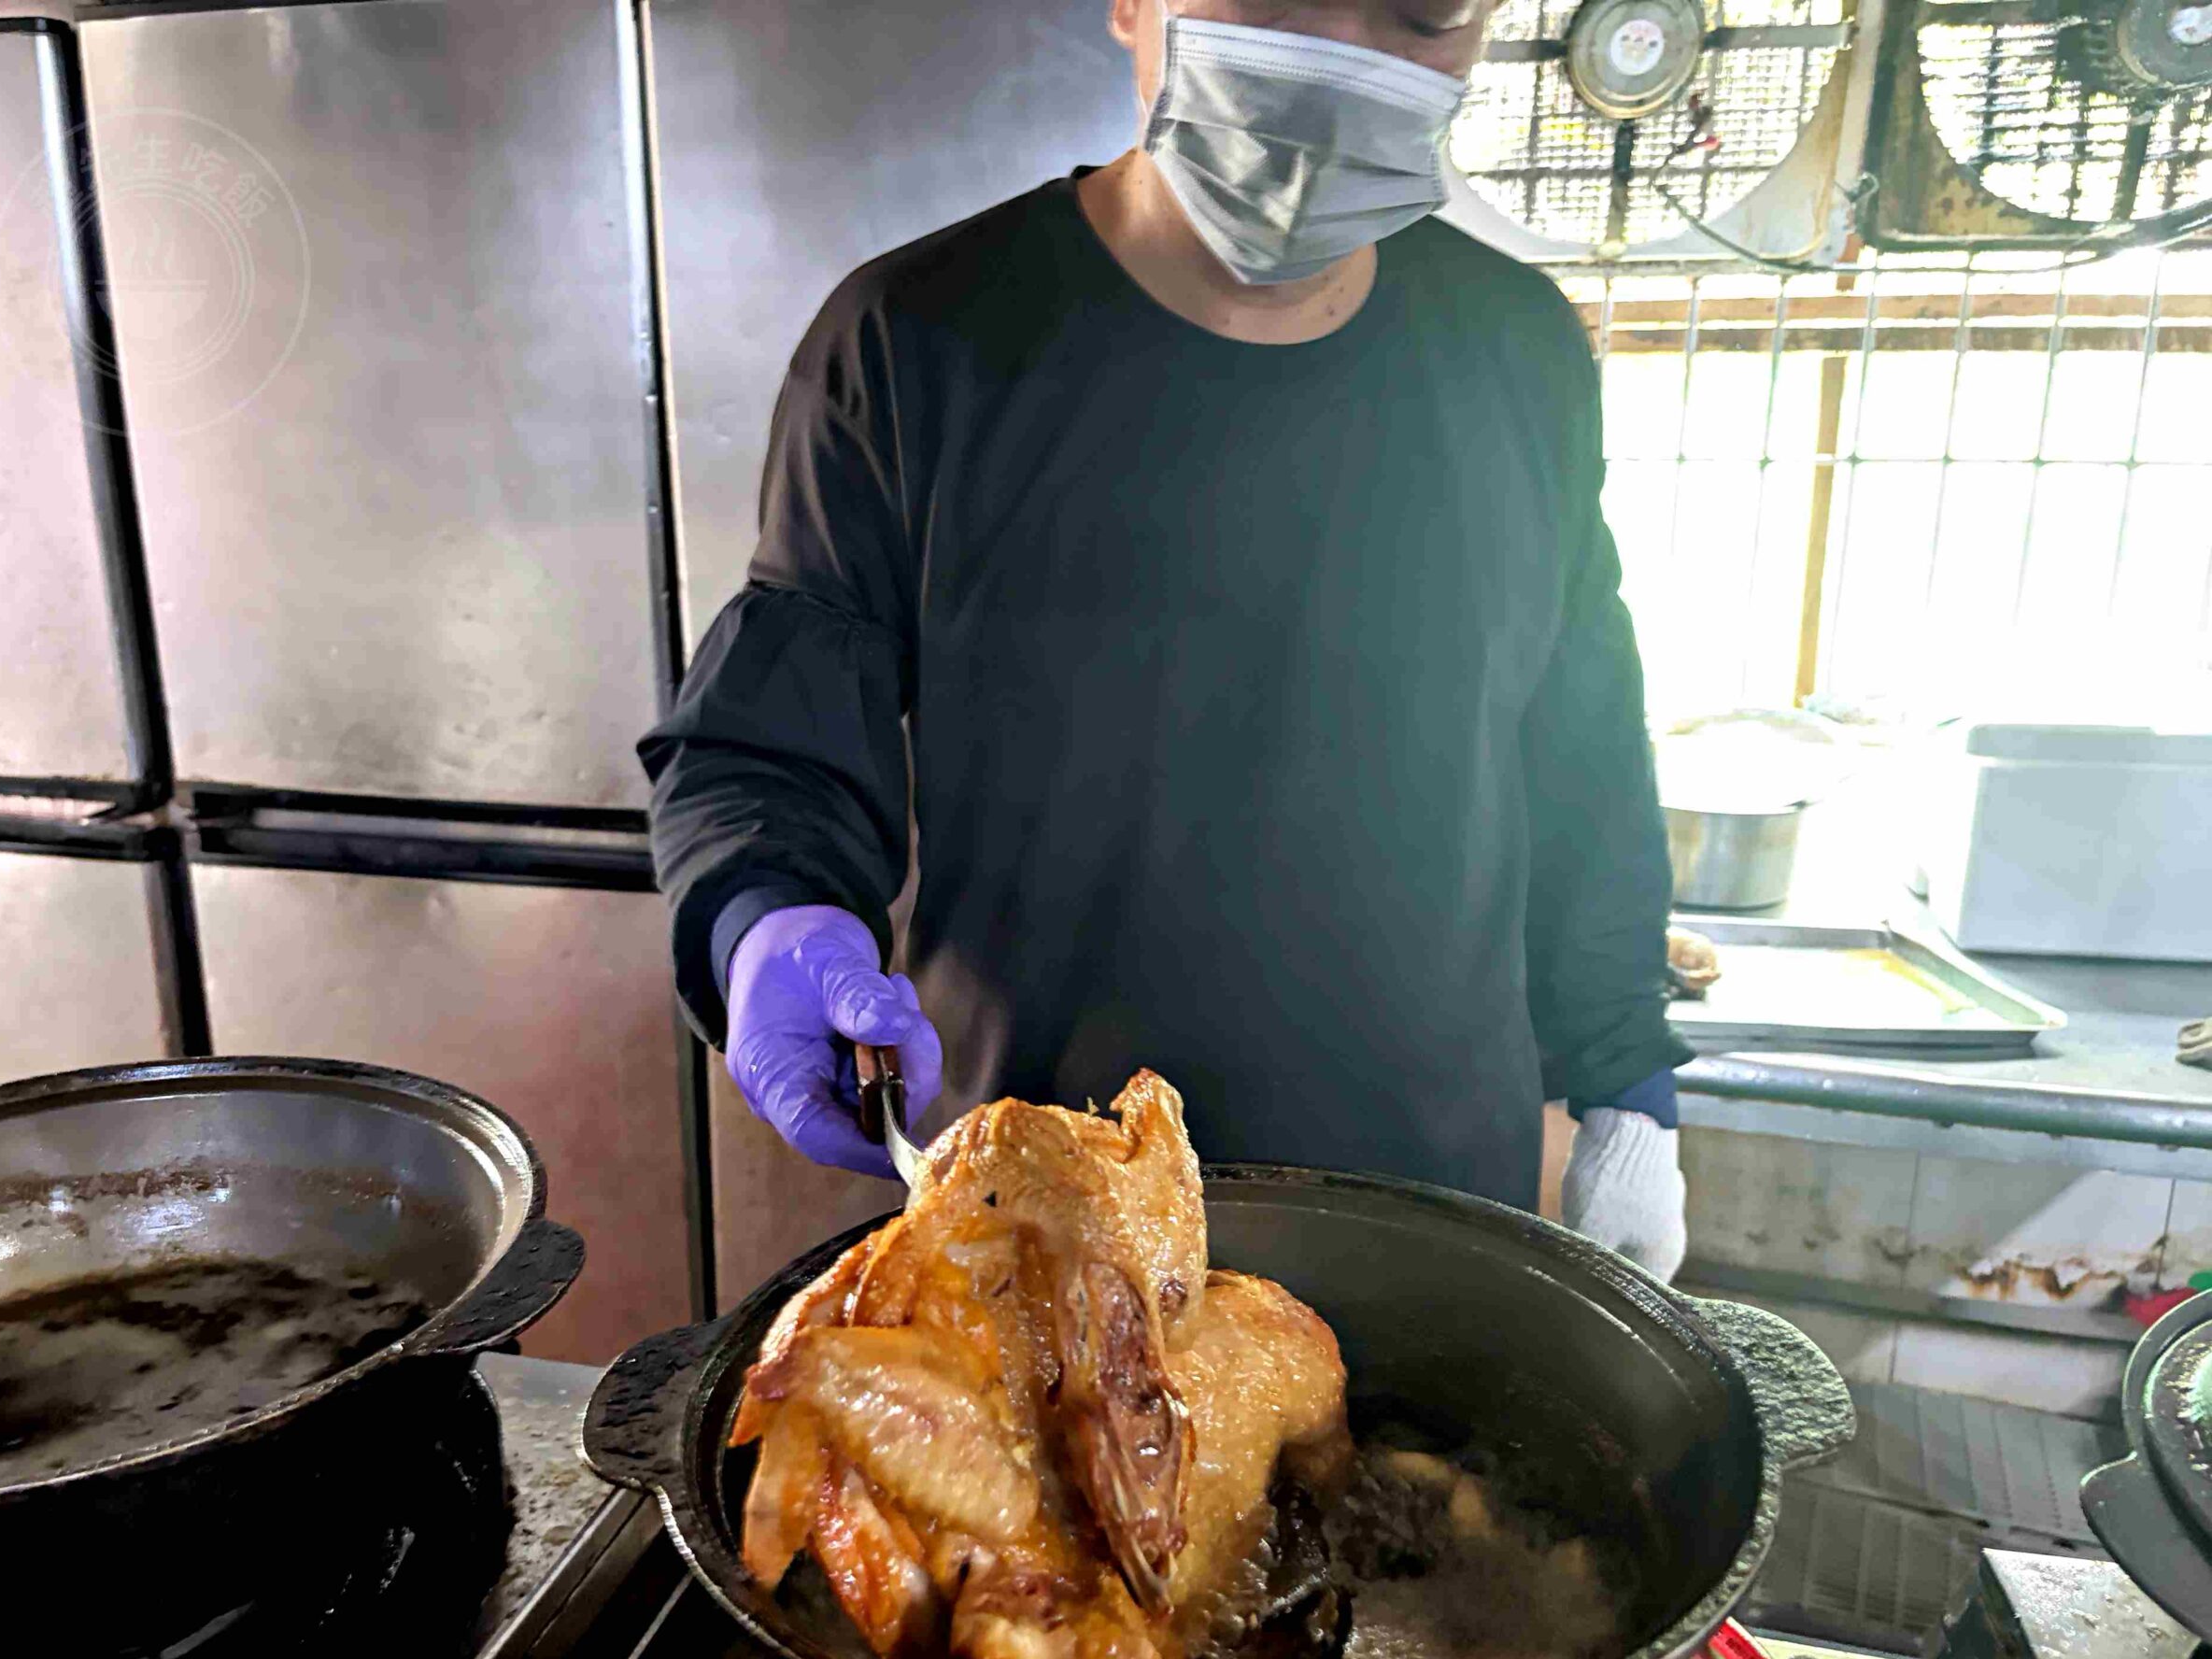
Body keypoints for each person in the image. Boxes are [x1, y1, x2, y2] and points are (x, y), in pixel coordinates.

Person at [639, 0, 1694, 1277]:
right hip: (1047, 1204)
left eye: (1423, 12)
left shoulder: (1519, 350)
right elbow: (775, 736)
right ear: (1130, 4)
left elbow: (1579, 747)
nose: (1348, 55)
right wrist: (766, 916)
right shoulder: (919, 339)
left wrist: (1626, 1075)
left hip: (1432, 1213)